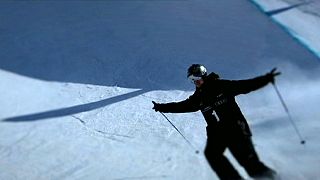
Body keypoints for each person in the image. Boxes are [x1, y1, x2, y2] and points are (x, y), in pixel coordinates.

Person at [152, 64, 280, 180]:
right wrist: (162, 107)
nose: (196, 82)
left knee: (250, 165)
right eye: (192, 80)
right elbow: (183, 106)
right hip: (217, 133)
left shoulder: (222, 86)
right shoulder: (199, 97)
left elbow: (245, 85)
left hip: (235, 129)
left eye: (197, 78)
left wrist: (266, 79)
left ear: (204, 75)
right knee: (212, 154)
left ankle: (274, 178)